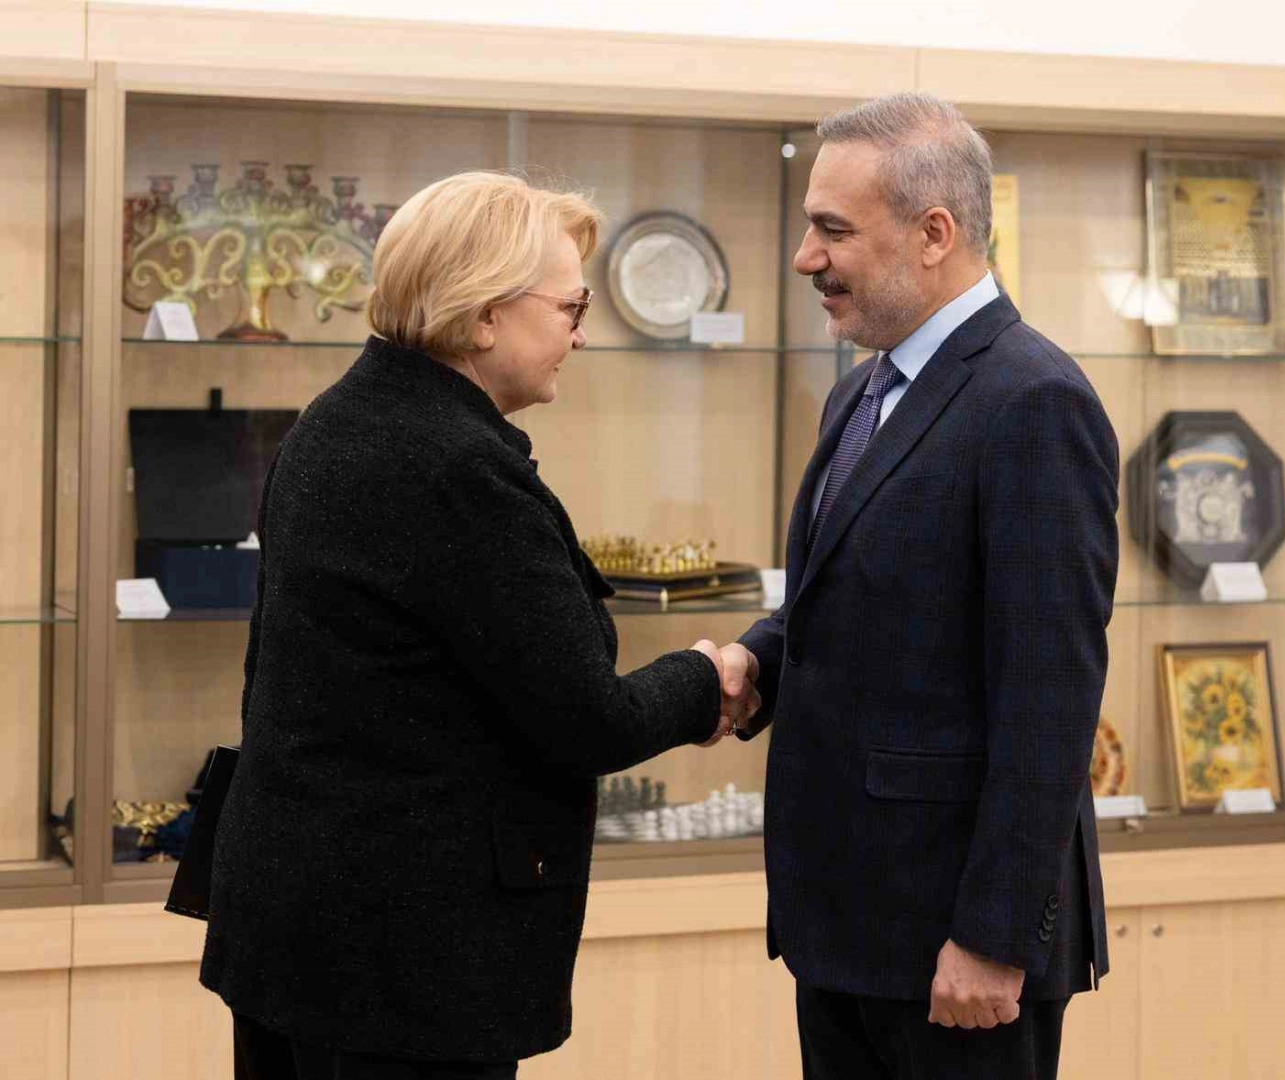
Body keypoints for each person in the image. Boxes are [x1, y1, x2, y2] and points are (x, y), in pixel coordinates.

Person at [201, 171, 736, 1080]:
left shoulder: (335, 421)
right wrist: (703, 675)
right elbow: (586, 720)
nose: (579, 333)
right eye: (569, 307)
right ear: (485, 316)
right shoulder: (457, 469)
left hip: (296, 930)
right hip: (402, 963)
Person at [714, 92, 1120, 1080]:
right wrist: (753, 662)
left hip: (955, 946)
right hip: (849, 923)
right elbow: (853, 598)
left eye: (832, 229)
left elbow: (1050, 697)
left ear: (934, 234)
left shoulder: (1034, 401)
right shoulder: (859, 392)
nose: (805, 257)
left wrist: (992, 936)